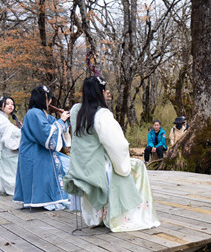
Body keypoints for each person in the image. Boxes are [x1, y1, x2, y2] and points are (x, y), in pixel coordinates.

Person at [63, 76, 160, 232]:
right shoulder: (102, 114)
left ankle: (96, 217)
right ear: (100, 92)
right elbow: (117, 145)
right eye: (104, 91)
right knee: (138, 166)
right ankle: (122, 215)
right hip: (98, 166)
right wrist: (123, 165)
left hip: (79, 166)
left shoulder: (75, 110)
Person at [13, 85, 71, 210]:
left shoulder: (42, 114)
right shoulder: (34, 113)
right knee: (61, 166)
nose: (50, 101)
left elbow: (55, 127)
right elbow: (47, 133)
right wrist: (61, 121)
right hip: (33, 153)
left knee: (67, 163)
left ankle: (51, 198)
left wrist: (65, 120)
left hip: (39, 152)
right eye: (48, 98)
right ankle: (44, 200)